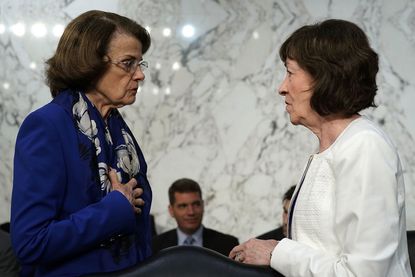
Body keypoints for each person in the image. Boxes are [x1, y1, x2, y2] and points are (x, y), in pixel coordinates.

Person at [229, 19, 413, 276]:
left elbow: (363, 273)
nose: (281, 88)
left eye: (290, 73)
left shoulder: (364, 146)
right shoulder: (336, 148)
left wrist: (277, 253)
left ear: (323, 78)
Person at [11, 10, 153, 276]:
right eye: (127, 63)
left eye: (140, 64)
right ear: (91, 64)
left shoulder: (118, 129)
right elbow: (30, 243)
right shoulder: (47, 125)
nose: (139, 75)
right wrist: (113, 211)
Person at [152, 178, 239, 256]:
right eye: (183, 206)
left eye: (196, 204)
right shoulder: (155, 246)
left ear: (203, 205)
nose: (191, 212)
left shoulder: (228, 245)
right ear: (171, 210)